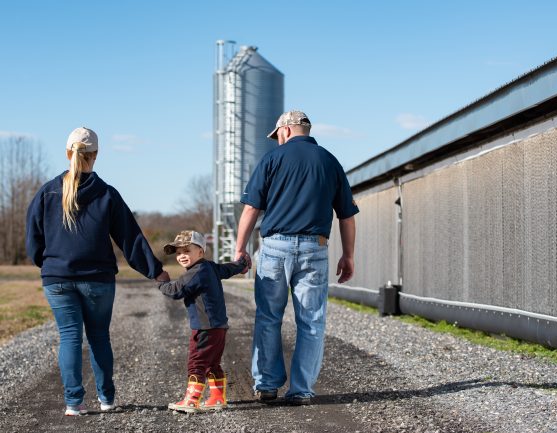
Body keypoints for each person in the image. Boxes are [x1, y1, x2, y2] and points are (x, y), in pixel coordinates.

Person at [25, 127, 169, 416]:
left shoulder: (47, 192)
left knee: (69, 337)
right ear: (96, 154)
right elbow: (130, 238)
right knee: (99, 337)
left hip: (57, 279)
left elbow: (33, 238)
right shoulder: (107, 193)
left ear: (68, 153)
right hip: (97, 279)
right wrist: (155, 271)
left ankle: (73, 403)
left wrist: (48, 264)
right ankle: (106, 399)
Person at [235, 110, 359, 405]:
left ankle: (267, 384)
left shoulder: (272, 159)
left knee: (268, 317)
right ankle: (301, 389)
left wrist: (240, 249)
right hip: (315, 248)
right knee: (311, 321)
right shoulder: (330, 161)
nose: (277, 140)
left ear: (286, 130)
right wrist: (348, 255)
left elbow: (251, 208)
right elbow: (347, 216)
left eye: (277, 135)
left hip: (275, 248)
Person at [158, 230, 247, 412]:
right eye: (178, 253)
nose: (182, 256)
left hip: (205, 327)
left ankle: (191, 401)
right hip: (219, 326)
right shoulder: (210, 267)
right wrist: (242, 264)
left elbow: (176, 291)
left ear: (200, 252)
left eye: (187, 251)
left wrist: (162, 283)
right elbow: (228, 269)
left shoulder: (196, 272)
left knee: (196, 363)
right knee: (212, 363)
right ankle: (217, 398)